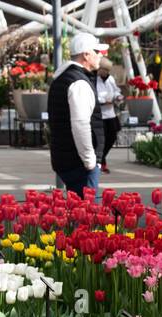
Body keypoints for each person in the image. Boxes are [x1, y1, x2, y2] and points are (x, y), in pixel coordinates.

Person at [48, 32, 108, 195]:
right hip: (79, 163)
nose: (100, 56)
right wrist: (90, 161)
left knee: (78, 212)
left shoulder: (63, 78)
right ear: (86, 54)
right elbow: (80, 124)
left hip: (66, 158)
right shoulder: (79, 82)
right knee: (88, 214)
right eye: (97, 52)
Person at [95, 58, 123, 173]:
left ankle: (101, 159)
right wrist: (103, 100)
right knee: (101, 139)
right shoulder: (95, 80)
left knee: (112, 137)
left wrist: (117, 96)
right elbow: (94, 95)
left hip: (110, 113)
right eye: (104, 69)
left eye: (108, 70)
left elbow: (115, 90)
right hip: (100, 114)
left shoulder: (110, 79)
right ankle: (101, 161)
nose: (106, 72)